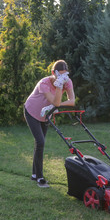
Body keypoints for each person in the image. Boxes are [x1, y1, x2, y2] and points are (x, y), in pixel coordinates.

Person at [24, 60, 75, 188]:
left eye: (65, 75)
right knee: (40, 142)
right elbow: (55, 102)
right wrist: (58, 88)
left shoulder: (67, 82)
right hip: (31, 111)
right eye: (59, 75)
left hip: (46, 114)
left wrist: (55, 106)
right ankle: (40, 178)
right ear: (53, 72)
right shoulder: (44, 83)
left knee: (39, 143)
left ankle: (34, 174)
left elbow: (72, 101)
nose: (63, 78)